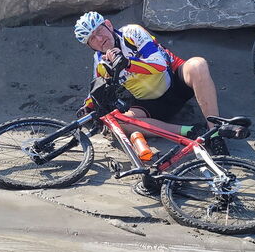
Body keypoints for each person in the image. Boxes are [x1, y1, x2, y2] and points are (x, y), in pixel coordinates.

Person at [73, 11, 229, 155]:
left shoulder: (132, 33)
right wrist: (88, 106)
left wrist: (128, 63)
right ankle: (191, 131)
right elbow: (97, 89)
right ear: (89, 45)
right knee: (117, 122)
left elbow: (159, 65)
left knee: (198, 64)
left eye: (99, 31)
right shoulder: (100, 62)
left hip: (175, 82)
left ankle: (215, 133)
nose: (99, 39)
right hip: (149, 104)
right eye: (92, 38)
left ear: (108, 24)